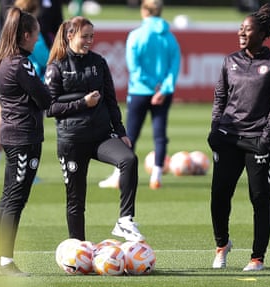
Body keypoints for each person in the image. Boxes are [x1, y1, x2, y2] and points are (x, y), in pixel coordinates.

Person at [44, 16, 144, 242]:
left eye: (92, 36)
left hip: (100, 136)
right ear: (70, 36)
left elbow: (110, 99)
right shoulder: (56, 66)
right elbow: (49, 108)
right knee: (76, 199)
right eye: (84, 36)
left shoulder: (98, 62)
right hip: (72, 140)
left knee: (128, 159)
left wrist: (120, 132)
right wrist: (82, 103)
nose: (89, 41)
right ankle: (77, 248)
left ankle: (125, 220)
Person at [207, 3, 270, 272]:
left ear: (261, 32)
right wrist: (215, 128)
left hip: (258, 141)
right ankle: (222, 245)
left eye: (247, 28)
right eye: (240, 28)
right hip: (228, 137)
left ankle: (257, 258)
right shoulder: (230, 61)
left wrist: (267, 137)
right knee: (220, 194)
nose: (241, 32)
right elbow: (220, 97)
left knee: (260, 197)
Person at [0, 6, 52, 276]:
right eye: (35, 35)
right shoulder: (20, 63)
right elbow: (45, 98)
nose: (37, 40)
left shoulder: (5, 59)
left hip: (13, 133)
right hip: (23, 136)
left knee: (7, 198)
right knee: (15, 200)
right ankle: (5, 262)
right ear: (25, 35)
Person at [98, 0, 180, 190]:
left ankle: (119, 174)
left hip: (140, 91)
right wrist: (163, 89)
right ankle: (157, 175)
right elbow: (174, 68)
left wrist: (152, 86)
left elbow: (135, 68)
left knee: (129, 135)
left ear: (144, 11)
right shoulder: (170, 38)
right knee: (160, 135)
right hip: (162, 93)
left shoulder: (136, 35)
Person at [0, 0, 62, 181]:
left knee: (4, 118)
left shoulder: (11, 34)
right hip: (31, 79)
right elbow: (47, 55)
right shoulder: (32, 39)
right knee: (25, 124)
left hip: (10, 74)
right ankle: (22, 171)